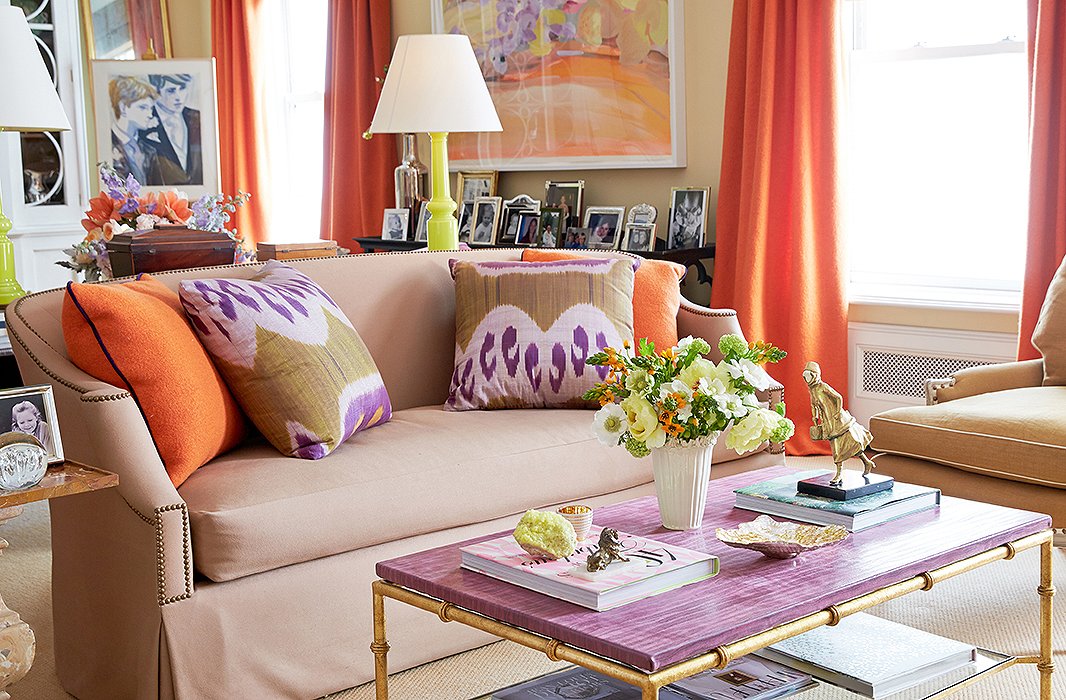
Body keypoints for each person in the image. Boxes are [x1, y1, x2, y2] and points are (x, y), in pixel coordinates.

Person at [804, 361, 875, 484]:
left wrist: (837, 412)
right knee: (839, 445)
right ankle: (865, 462)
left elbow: (838, 397)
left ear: (815, 375)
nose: (807, 379)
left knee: (845, 443)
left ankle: (839, 473)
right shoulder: (813, 390)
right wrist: (815, 417)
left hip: (837, 419)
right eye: (805, 376)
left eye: (809, 375)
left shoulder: (823, 387)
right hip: (828, 421)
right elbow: (813, 405)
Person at [146, 74, 203, 186]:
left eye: (182, 88)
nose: (179, 97)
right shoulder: (143, 122)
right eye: (171, 91)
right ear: (156, 92)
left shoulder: (198, 118)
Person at [108, 76, 163, 184]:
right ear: (123, 107)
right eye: (143, 107)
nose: (150, 114)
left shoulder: (149, 149)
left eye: (151, 108)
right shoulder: (106, 145)